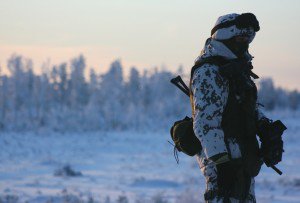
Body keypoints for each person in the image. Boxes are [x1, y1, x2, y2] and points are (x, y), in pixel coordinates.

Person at [190, 13, 282, 203]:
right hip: (223, 166)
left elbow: (246, 106)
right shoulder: (209, 71)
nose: (245, 43)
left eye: (248, 39)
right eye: (241, 38)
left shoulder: (238, 69)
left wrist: (265, 128)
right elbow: (206, 124)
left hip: (244, 160)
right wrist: (222, 164)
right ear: (225, 36)